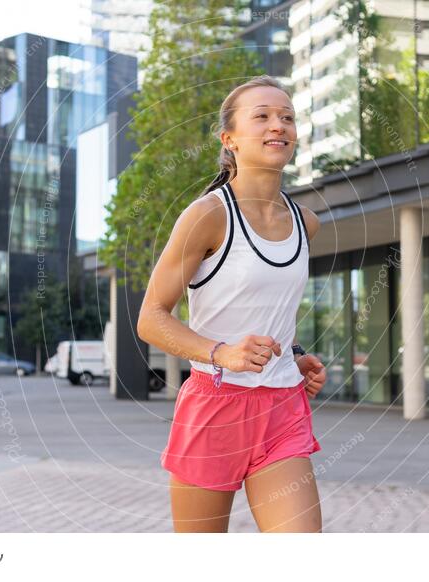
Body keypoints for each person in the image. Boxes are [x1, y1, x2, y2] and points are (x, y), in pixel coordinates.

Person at [137, 75, 327, 533]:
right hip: (215, 407)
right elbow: (150, 318)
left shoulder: (307, 223)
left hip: (282, 406)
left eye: (286, 117)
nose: (277, 125)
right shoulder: (207, 216)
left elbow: (265, 308)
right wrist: (225, 353)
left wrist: (294, 355)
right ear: (230, 139)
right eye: (261, 116)